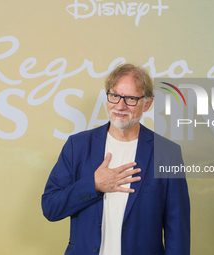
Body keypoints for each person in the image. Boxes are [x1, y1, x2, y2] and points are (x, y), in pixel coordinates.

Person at [41, 63, 190, 255]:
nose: (120, 105)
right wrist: (93, 184)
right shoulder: (77, 146)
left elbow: (177, 228)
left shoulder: (168, 153)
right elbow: (50, 207)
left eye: (131, 99)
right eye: (115, 96)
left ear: (147, 104)